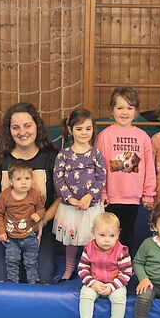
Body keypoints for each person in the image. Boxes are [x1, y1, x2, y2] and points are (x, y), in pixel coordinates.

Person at [0, 102, 60, 283]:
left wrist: (43, 221)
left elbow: (61, 198)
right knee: (4, 281)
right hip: (4, 232)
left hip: (38, 230)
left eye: (27, 125)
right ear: (9, 130)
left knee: (41, 280)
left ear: (37, 126)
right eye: (16, 127)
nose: (22, 132)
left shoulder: (51, 157)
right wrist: (2, 219)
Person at [94, 87, 156, 253]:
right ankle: (105, 263)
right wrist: (103, 193)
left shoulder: (143, 137)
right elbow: (98, 168)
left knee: (128, 233)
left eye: (129, 108)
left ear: (136, 111)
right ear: (111, 109)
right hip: (111, 197)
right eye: (120, 108)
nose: (124, 112)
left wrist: (149, 193)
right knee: (107, 234)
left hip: (133, 196)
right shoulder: (104, 136)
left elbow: (149, 167)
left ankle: (125, 264)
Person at [53, 108, 106, 280]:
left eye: (88, 128)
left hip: (91, 207)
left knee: (91, 239)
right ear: (70, 130)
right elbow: (58, 178)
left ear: (93, 129)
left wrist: (89, 196)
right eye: (79, 128)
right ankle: (69, 268)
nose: (84, 132)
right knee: (71, 238)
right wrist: (70, 198)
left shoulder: (96, 154)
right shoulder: (63, 155)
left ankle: (91, 268)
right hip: (71, 207)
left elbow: (101, 177)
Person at [76, 213, 132, 318]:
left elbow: (126, 273)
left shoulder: (121, 251)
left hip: (114, 284)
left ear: (118, 235)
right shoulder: (89, 249)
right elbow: (82, 269)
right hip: (95, 282)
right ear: (93, 233)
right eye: (102, 235)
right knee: (86, 294)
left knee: (119, 297)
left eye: (112, 236)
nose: (107, 240)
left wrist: (112, 286)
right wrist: (93, 283)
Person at [0, 160, 47, 284]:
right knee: (11, 260)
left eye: (27, 178)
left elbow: (41, 208)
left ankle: (33, 282)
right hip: (11, 238)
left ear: (32, 180)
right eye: (18, 179)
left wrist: (38, 215)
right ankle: (13, 282)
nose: (23, 182)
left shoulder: (34, 194)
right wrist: (0, 232)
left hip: (30, 236)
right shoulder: (5, 196)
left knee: (31, 261)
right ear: (11, 181)